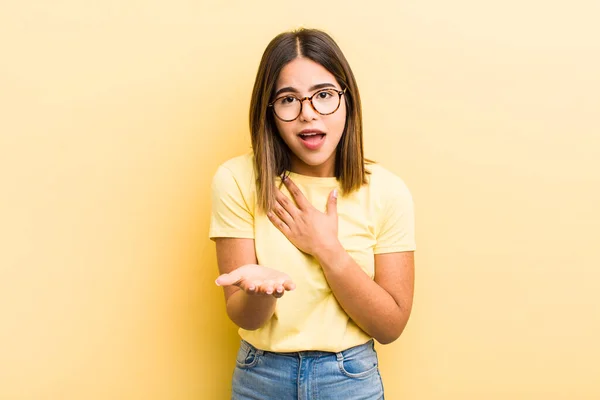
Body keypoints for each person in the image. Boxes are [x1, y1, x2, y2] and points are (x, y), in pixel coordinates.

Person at [209, 28, 416, 400]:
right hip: (261, 377)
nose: (308, 114)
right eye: (288, 99)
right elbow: (245, 317)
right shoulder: (236, 180)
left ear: (346, 100)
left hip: (350, 378)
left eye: (323, 95)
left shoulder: (387, 191)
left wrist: (326, 248)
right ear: (269, 111)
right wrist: (260, 291)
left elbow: (390, 326)